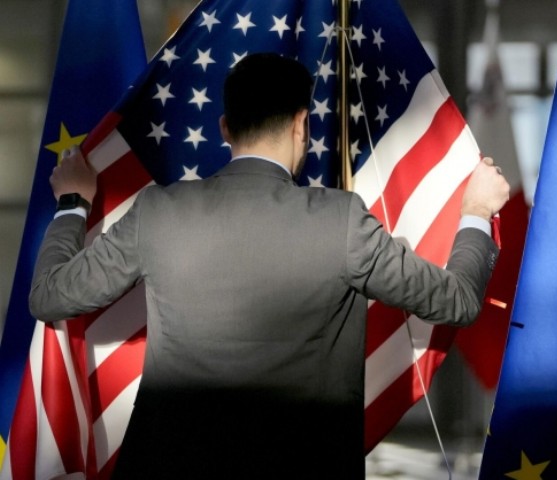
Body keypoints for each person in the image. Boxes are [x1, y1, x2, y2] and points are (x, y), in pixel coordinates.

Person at [30, 52, 509, 479]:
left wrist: (73, 203)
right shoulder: (341, 221)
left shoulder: (157, 213)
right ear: (302, 124)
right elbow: (458, 301)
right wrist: (475, 212)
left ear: (224, 128)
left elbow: (49, 296)